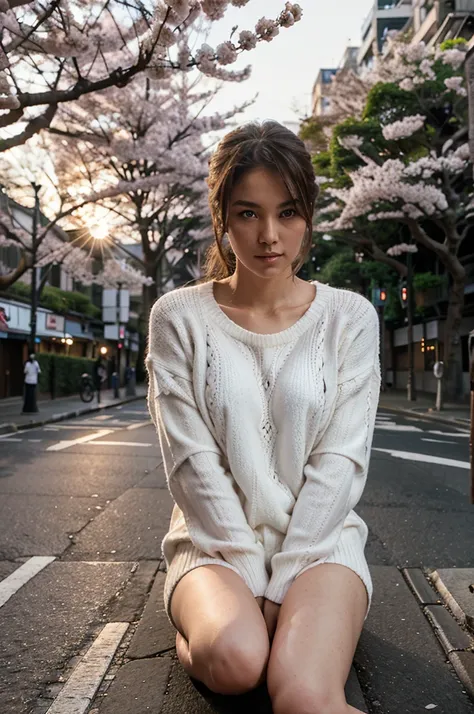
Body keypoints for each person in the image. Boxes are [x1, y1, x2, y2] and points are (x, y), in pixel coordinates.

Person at [146, 121, 381, 714]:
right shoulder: (178, 318)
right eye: (248, 213)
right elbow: (192, 464)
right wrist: (251, 581)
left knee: (303, 695)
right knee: (236, 661)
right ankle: (198, 632)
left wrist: (284, 583)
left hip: (322, 544)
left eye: (288, 213)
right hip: (213, 544)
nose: (269, 236)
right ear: (222, 216)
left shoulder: (349, 318)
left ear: (308, 217)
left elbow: (340, 462)